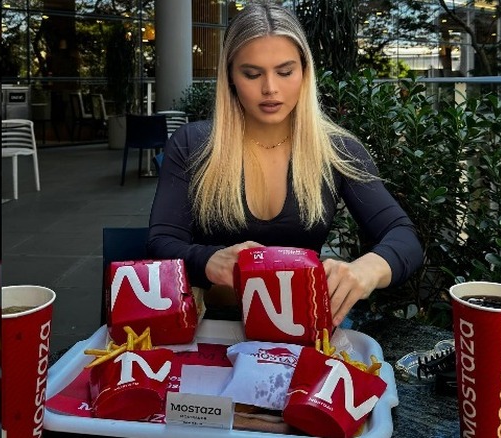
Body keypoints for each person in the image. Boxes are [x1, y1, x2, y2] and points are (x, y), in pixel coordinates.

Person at [147, 0, 423, 327]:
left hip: (304, 327)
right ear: (231, 76)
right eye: (252, 74)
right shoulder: (193, 145)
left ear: (305, 72)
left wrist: (365, 270)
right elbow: (161, 242)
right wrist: (209, 261)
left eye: (285, 71)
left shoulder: (338, 150)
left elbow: (404, 238)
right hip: (210, 329)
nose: (270, 89)